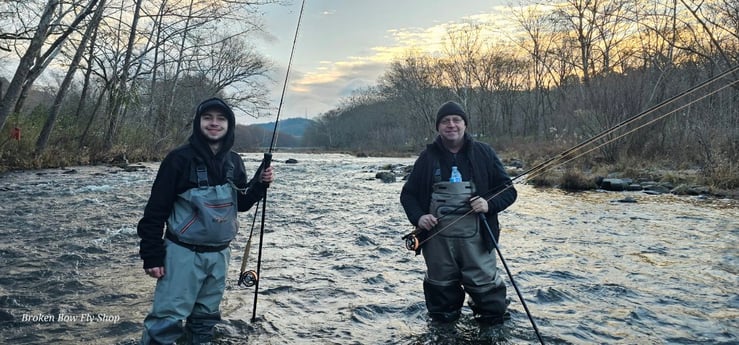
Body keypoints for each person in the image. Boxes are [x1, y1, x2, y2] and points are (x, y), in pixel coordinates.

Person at [137, 97, 274, 344]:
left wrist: (260, 185)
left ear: (229, 125)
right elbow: (155, 212)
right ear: (198, 122)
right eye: (208, 118)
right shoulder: (178, 159)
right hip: (181, 254)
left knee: (205, 321)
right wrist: (152, 255)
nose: (214, 123)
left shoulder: (234, 161)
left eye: (221, 119)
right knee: (166, 322)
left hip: (219, 257)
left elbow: (241, 204)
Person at [400, 100, 517, 325]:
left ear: (465, 124)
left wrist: (489, 204)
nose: (451, 125)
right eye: (445, 121)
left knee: (490, 308)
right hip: (437, 242)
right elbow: (408, 195)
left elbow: (509, 191)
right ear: (438, 127)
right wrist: (419, 217)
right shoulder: (427, 158)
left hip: (479, 241)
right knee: (441, 309)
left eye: (456, 120)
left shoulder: (484, 153)